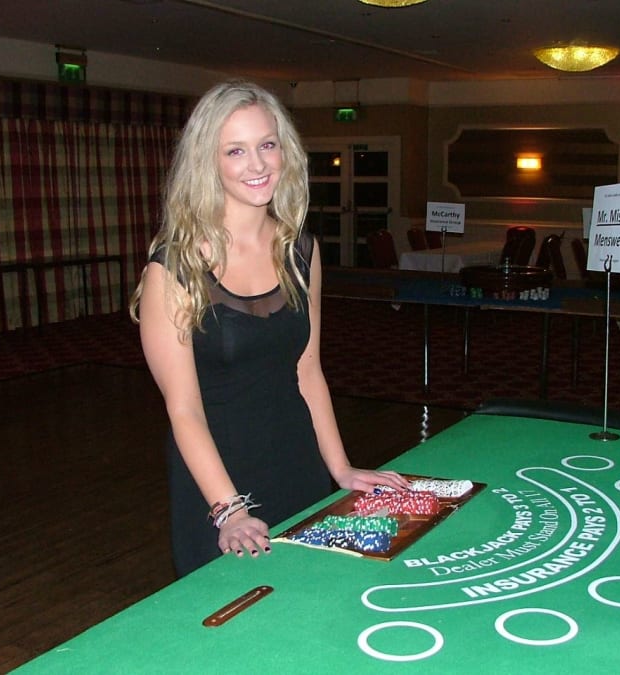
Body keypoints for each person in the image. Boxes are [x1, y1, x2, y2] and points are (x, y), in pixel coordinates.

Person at [130, 81, 408, 577]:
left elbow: (308, 370)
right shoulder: (174, 268)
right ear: (208, 162)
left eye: (267, 144)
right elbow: (184, 408)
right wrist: (228, 509)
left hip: (297, 465)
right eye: (235, 150)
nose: (257, 164)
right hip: (217, 483)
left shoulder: (301, 249)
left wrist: (340, 468)